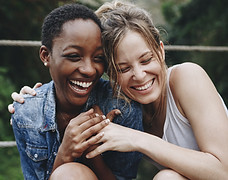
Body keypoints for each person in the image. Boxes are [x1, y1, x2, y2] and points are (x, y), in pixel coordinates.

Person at [9, 1, 228, 179]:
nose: (140, 75)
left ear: (160, 51)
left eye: (146, 60)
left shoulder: (187, 77)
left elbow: (223, 170)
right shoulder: (124, 105)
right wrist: (36, 101)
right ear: (110, 73)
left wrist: (139, 139)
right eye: (123, 68)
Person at [9, 3, 143, 180]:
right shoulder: (26, 113)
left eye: (98, 58)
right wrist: (65, 153)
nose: (89, 70)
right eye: (74, 56)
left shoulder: (122, 107)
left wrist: (93, 150)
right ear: (45, 56)